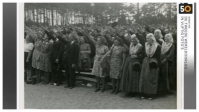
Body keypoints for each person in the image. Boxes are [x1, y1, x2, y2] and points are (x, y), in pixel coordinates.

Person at [139, 33, 161, 100]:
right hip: (146, 62)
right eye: (146, 38)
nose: (146, 39)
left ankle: (151, 93)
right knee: (144, 77)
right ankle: (144, 92)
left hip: (153, 62)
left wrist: (158, 66)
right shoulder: (145, 45)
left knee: (152, 78)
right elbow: (143, 54)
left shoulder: (157, 46)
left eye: (148, 38)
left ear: (151, 38)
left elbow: (158, 57)